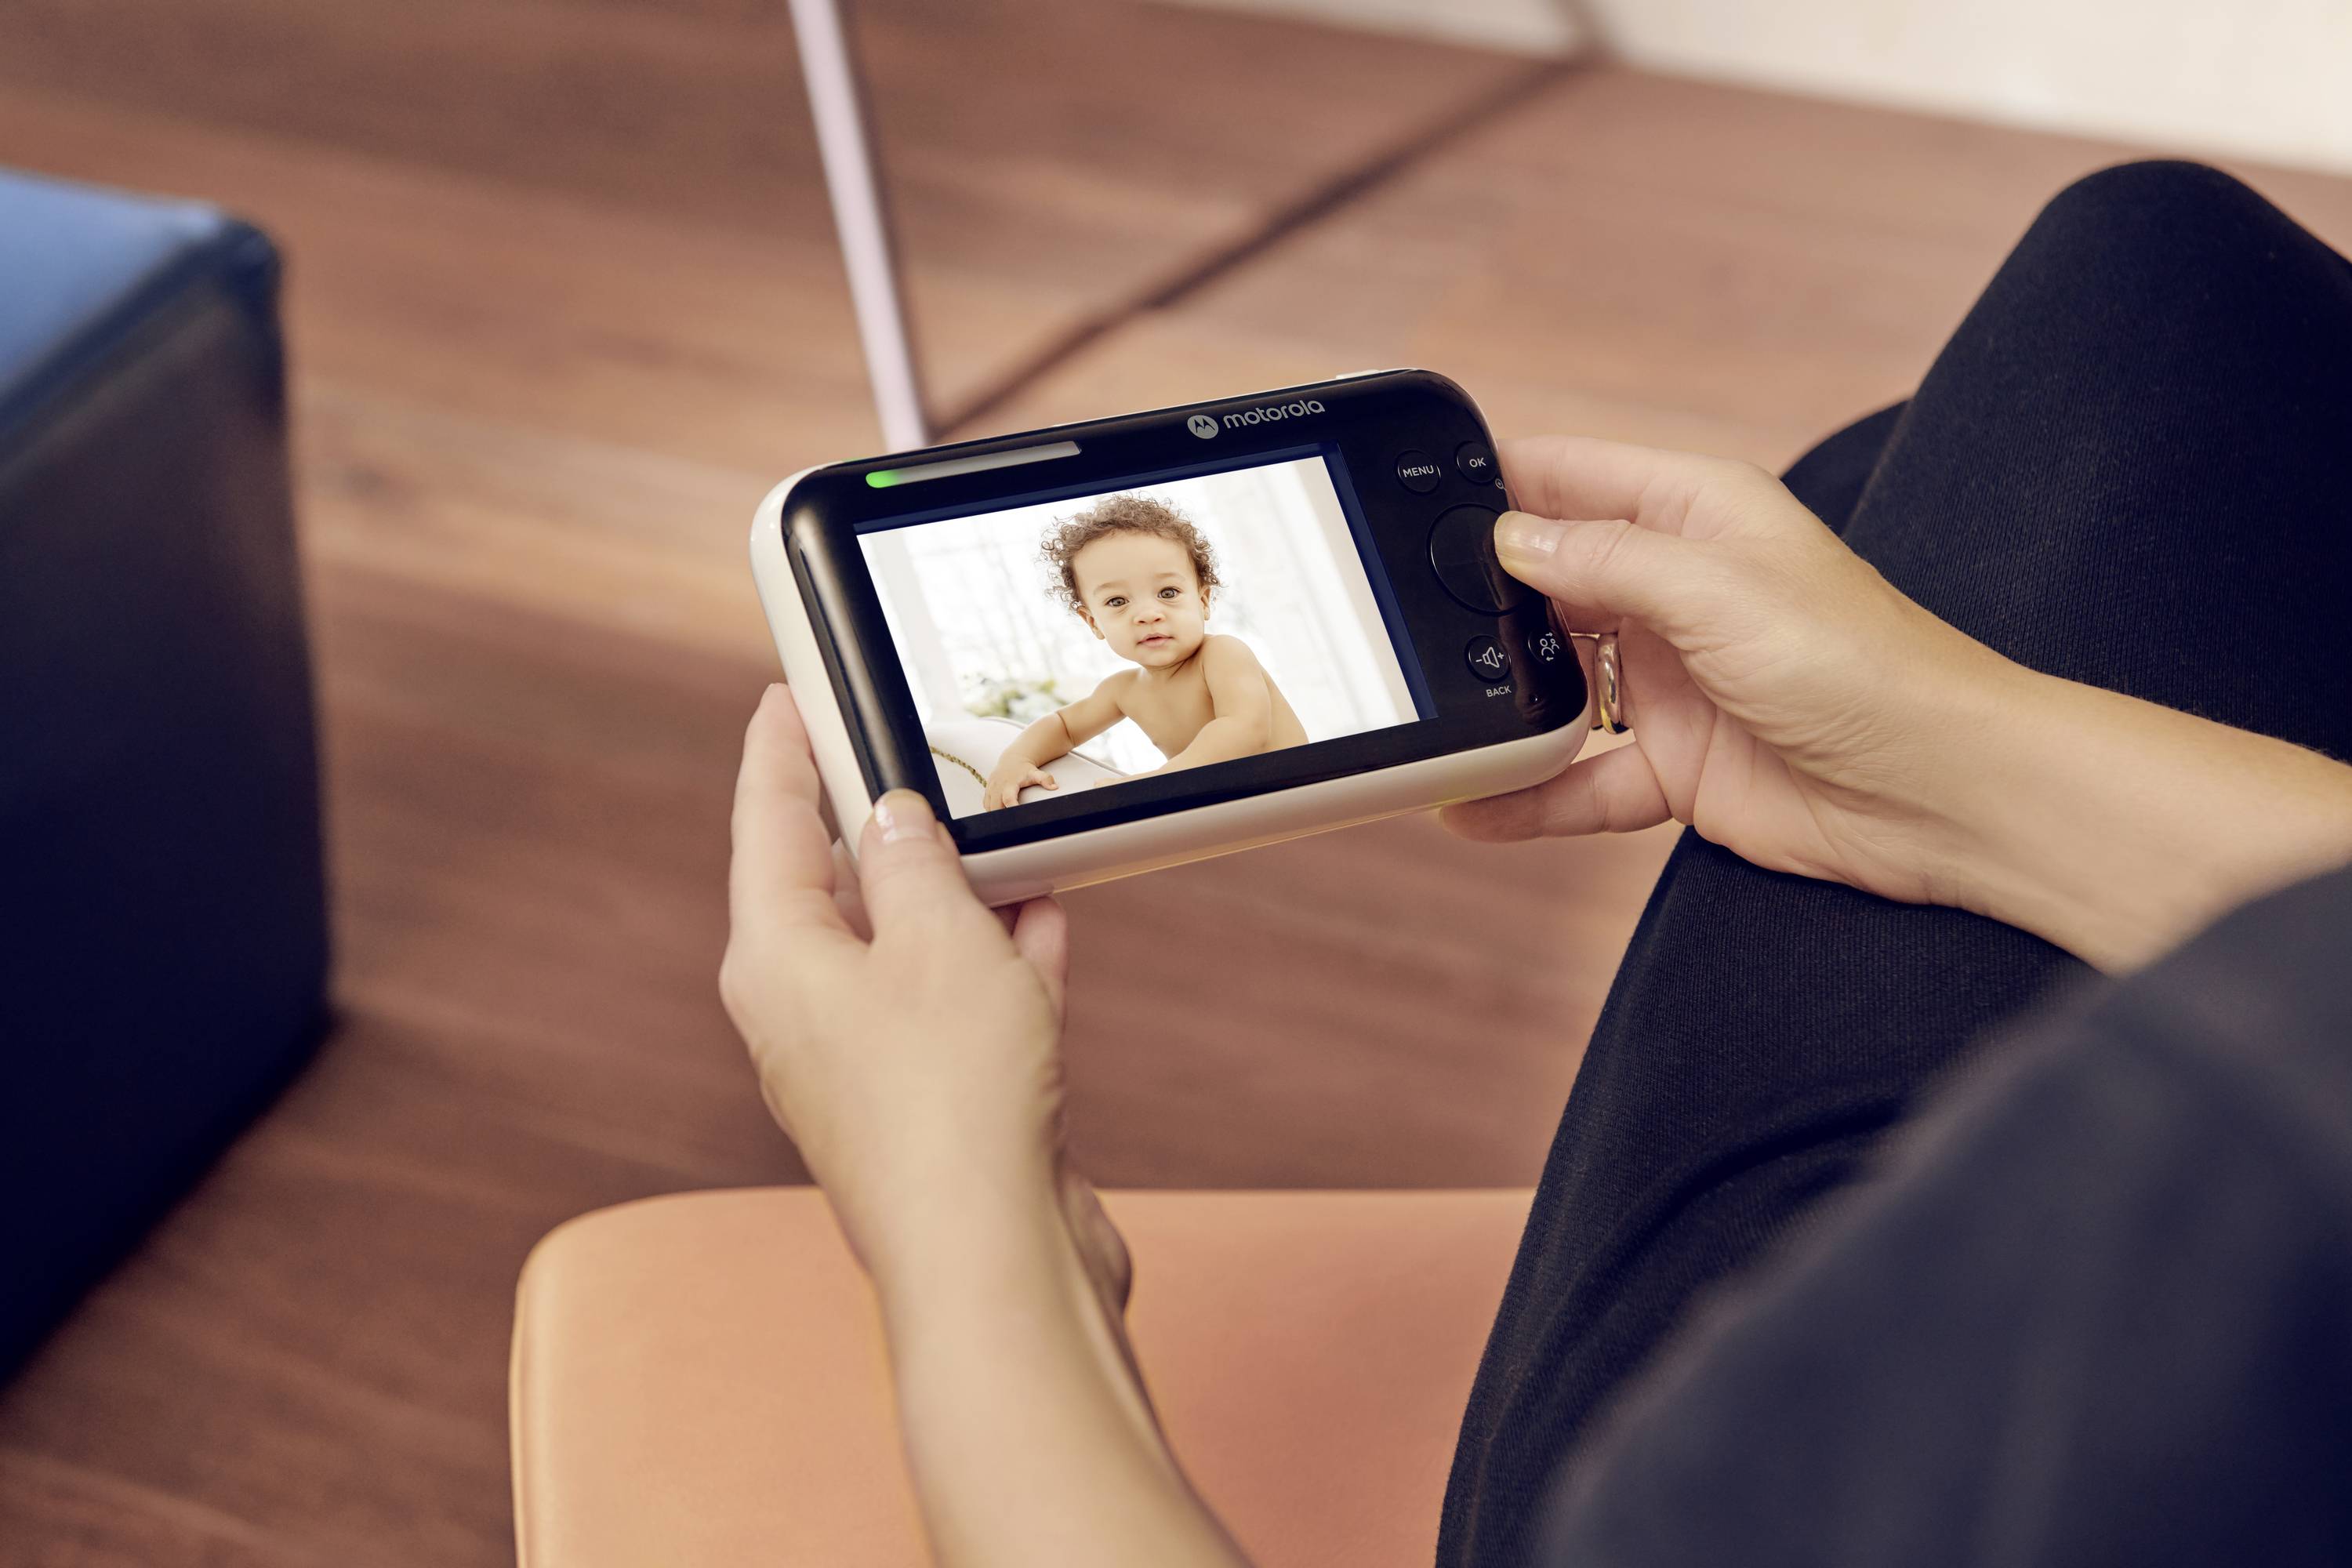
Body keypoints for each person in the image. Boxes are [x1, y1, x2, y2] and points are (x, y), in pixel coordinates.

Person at [718, 160, 2352, 1566]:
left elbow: (1225, 743)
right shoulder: (1111, 677)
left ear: (1205, 595)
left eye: (1163, 599)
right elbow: (1045, 739)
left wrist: (960, 1211)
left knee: (2016, 388)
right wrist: (1949, 766)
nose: (1143, 626)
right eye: (1117, 611)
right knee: (2128, 279)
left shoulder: (1232, 676)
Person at [979, 494, 1308, 810]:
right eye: (1118, 602)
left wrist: (1161, 781)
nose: (1148, 614)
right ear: (1094, 622)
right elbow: (1062, 726)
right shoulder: (1123, 689)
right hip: (1227, 808)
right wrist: (1016, 760)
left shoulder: (1222, 654)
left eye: (1168, 592)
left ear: (1204, 601)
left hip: (1303, 792)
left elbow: (1243, 728)